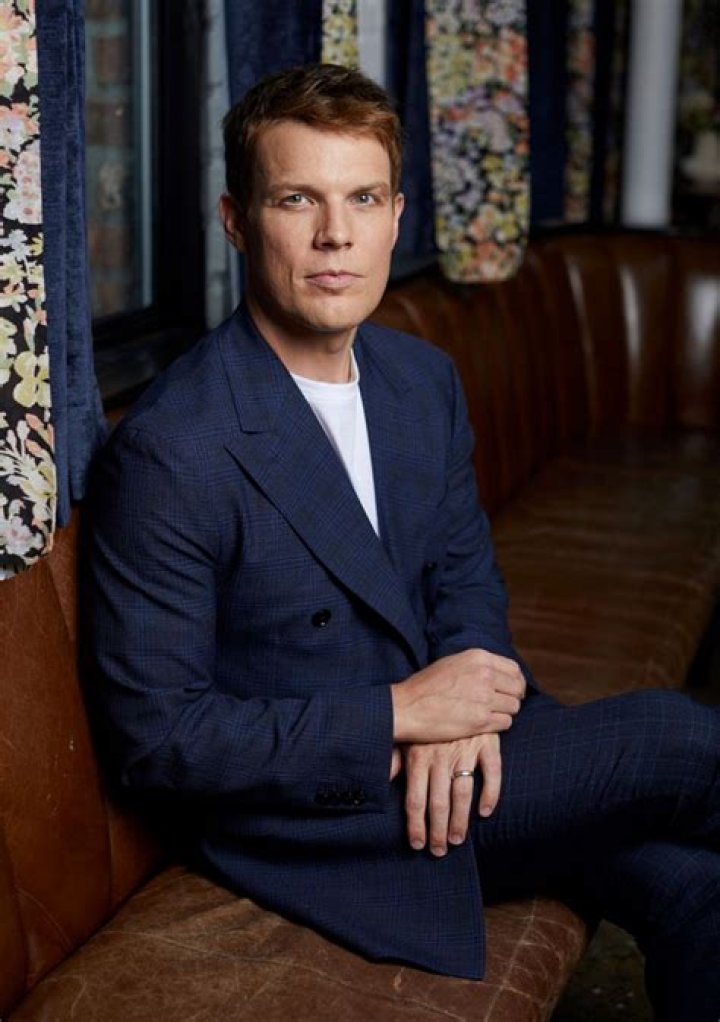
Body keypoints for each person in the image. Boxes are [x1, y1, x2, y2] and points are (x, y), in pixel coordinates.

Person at [89, 63, 720, 1019]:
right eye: (297, 199)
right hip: (329, 812)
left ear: (395, 216)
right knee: (678, 737)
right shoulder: (176, 447)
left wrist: (463, 706)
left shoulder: (421, 380)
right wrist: (399, 713)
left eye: (362, 198)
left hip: (459, 754)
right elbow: (161, 740)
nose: (335, 235)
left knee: (694, 887)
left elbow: (465, 578)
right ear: (236, 220)